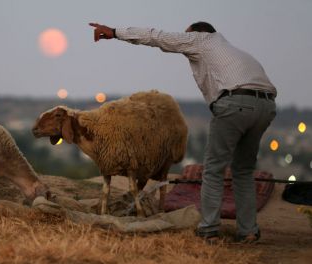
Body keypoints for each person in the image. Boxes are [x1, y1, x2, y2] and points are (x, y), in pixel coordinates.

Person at [89, 21, 277, 243]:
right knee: (244, 171)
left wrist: (115, 32)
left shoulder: (200, 40)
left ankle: (209, 230)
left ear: (196, 34)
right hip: (266, 106)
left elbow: (157, 36)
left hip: (235, 103)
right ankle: (249, 232)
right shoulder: (236, 52)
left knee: (214, 170)